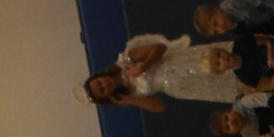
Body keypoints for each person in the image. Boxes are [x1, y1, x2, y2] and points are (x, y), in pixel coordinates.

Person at [80, 34, 240, 111]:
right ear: (107, 96)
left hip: (180, 63)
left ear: (100, 76)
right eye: (102, 90)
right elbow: (158, 106)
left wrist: (142, 67)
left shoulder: (124, 60)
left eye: (99, 83)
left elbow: (159, 48)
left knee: (219, 62)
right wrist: (128, 99)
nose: (104, 85)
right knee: (219, 85)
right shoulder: (128, 94)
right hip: (181, 86)